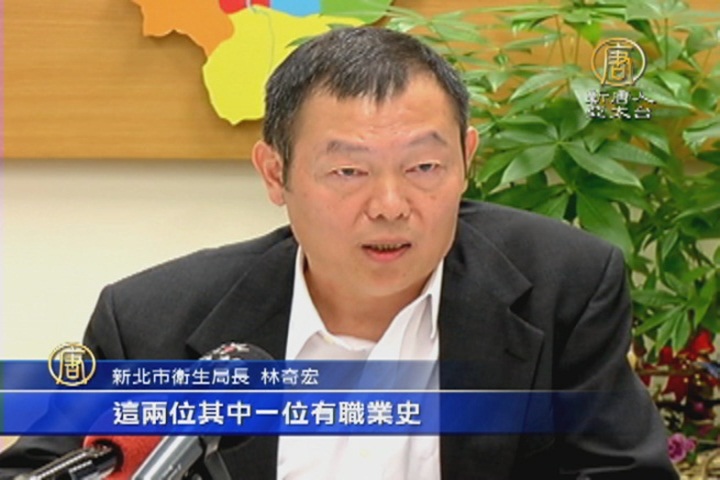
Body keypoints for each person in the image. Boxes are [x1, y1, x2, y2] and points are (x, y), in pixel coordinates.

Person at [0, 26, 676, 479]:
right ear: (275, 174)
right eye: (348, 171)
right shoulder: (152, 321)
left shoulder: (563, 288)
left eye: (424, 167)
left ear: (467, 160)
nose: (390, 204)